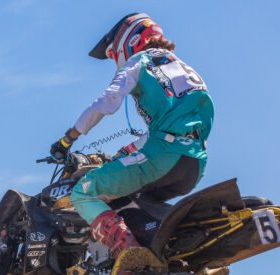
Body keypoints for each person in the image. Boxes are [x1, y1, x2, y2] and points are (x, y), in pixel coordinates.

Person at [50, 12, 214, 258]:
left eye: (112, 53)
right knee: (127, 199)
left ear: (129, 40)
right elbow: (173, 129)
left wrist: (68, 139)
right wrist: (125, 152)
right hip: (194, 163)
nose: (114, 58)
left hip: (163, 157)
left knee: (84, 192)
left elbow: (108, 101)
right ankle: (161, 253)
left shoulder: (139, 61)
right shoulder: (185, 70)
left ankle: (128, 254)